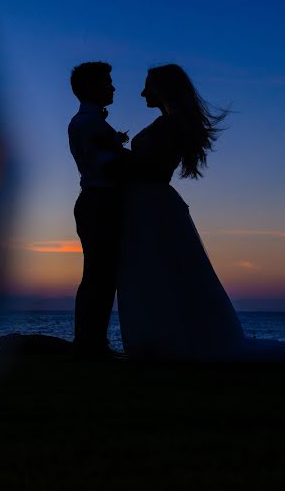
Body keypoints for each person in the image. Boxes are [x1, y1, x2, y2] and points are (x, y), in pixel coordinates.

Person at [116, 64, 244, 360]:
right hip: (149, 202)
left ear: (163, 89)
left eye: (148, 85)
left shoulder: (171, 125)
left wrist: (118, 160)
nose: (142, 92)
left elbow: (153, 167)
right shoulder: (172, 123)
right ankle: (161, 337)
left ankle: (164, 340)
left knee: (158, 268)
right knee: (158, 270)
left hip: (152, 203)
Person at [67, 62, 130, 357]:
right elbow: (105, 164)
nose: (113, 87)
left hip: (99, 200)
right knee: (98, 274)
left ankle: (92, 340)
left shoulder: (91, 123)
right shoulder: (87, 124)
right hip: (98, 201)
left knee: (103, 274)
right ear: (91, 87)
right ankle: (90, 342)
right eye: (107, 82)